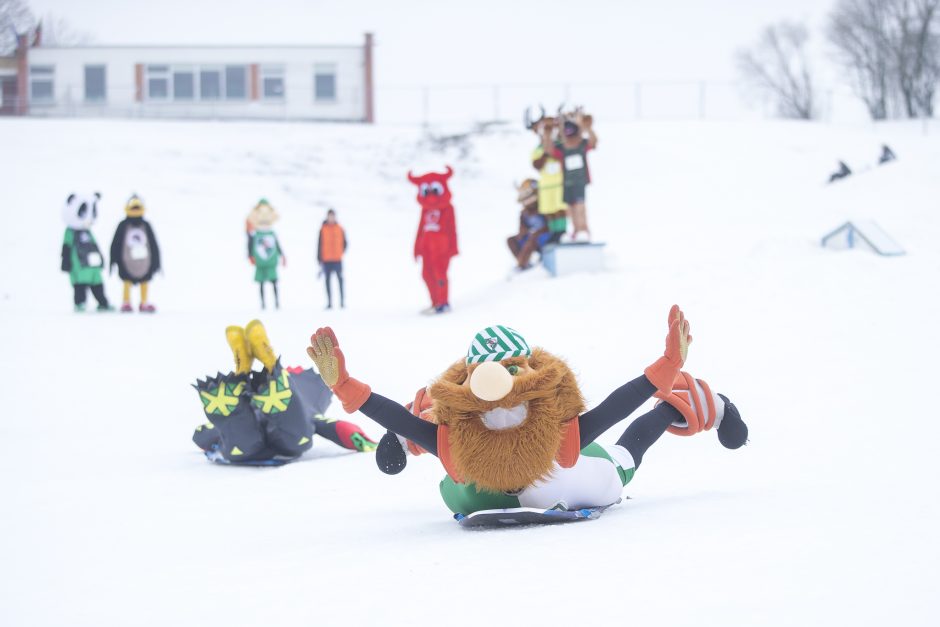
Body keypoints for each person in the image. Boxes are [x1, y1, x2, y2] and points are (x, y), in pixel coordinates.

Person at [307, 307, 749, 518]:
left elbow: (616, 409)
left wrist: (667, 370)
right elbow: (401, 420)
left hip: (560, 476)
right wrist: (345, 387)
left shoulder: (559, 433)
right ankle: (414, 434)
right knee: (444, 454)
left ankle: (695, 406)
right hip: (480, 490)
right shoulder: (459, 438)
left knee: (623, 456)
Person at [192, 319, 377, 465]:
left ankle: (241, 375)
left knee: (239, 438)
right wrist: (361, 439)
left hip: (244, 441)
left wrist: (205, 435)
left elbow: (201, 434)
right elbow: (334, 426)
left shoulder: (258, 399)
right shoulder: (311, 404)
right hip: (291, 437)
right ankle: (273, 377)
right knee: (298, 434)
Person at [408, 167, 459, 314]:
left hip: (441, 247)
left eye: (434, 190)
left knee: (440, 273)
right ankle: (435, 302)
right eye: (426, 191)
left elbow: (452, 228)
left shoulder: (448, 208)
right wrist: (416, 248)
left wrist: (453, 248)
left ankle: (443, 302)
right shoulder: (425, 210)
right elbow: (420, 229)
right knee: (426, 274)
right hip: (426, 247)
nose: (430, 195)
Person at [542, 109, 598, 242]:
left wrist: (588, 128)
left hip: (579, 181)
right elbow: (549, 150)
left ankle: (583, 230)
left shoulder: (582, 144)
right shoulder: (562, 148)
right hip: (566, 182)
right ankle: (574, 231)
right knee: (569, 209)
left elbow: (593, 142)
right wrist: (548, 133)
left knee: (580, 207)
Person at [60, 192, 112, 312]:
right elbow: (66, 246)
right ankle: (80, 303)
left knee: (97, 284)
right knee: (80, 285)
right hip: (78, 265)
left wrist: (101, 259)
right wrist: (66, 261)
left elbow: (94, 245)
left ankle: (103, 302)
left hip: (92, 264)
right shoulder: (70, 232)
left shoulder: (88, 232)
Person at [109, 194, 161, 313]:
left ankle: (144, 302)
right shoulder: (123, 226)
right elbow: (116, 243)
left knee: (145, 280)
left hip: (145, 260)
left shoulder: (146, 225)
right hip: (126, 259)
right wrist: (114, 258)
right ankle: (126, 301)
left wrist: (156, 261)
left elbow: (153, 244)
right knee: (126, 281)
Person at [529, 114, 568, 242]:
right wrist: (545, 153)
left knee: (560, 209)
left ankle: (562, 231)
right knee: (549, 211)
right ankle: (554, 232)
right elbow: (537, 165)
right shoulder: (538, 149)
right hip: (546, 185)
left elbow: (559, 156)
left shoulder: (560, 144)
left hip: (558, 183)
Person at [246, 199, 285, 309]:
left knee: (274, 281)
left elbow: (277, 245)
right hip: (260, 262)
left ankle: (276, 302)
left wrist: (282, 255)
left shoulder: (271, 233)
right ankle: (263, 303)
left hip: (271, 261)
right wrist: (250, 255)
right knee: (261, 282)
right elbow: (250, 245)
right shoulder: (254, 234)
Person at [507, 179, 550, 270]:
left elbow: (549, 224)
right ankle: (523, 262)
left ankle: (522, 264)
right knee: (511, 240)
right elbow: (522, 230)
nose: (528, 201)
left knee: (533, 237)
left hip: (545, 237)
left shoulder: (544, 207)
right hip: (531, 238)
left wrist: (536, 233)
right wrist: (523, 234)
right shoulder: (524, 214)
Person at [317, 209, 347, 309]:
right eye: (329, 216)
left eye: (332, 216)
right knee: (327, 281)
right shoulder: (323, 229)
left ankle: (342, 302)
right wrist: (319, 258)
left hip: (337, 259)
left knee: (340, 280)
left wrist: (340, 252)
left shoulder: (340, 228)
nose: (331, 218)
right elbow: (319, 244)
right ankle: (329, 302)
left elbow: (345, 243)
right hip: (326, 260)